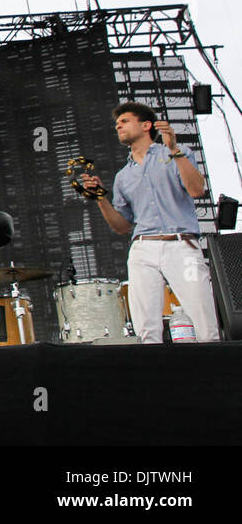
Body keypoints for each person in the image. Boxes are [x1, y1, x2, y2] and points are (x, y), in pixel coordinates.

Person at [80, 102, 219, 343]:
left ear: (146, 125)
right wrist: (100, 197)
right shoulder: (123, 176)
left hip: (180, 243)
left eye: (125, 121)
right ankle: (154, 376)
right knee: (146, 327)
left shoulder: (176, 153)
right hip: (143, 247)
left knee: (204, 321)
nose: (118, 126)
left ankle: (219, 375)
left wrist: (174, 149)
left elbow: (196, 190)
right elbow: (122, 226)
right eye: (117, 124)